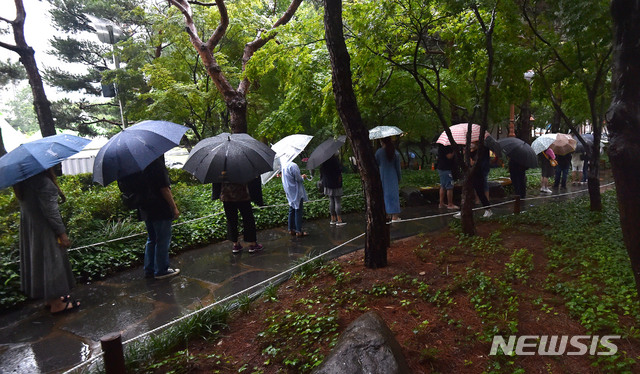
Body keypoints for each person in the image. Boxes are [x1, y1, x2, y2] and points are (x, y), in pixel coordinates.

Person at [14, 168, 79, 314]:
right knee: (52, 262)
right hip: (45, 230)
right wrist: (62, 234)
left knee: (41, 262)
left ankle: (51, 299)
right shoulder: (43, 182)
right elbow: (51, 212)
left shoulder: (22, 183)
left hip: (31, 231)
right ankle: (58, 305)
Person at [136, 156, 181, 279]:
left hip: (145, 208)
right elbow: (165, 189)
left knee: (152, 239)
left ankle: (149, 269)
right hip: (160, 208)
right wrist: (174, 207)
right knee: (162, 239)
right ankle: (161, 270)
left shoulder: (139, 164)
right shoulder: (156, 164)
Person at [213, 178, 263, 254]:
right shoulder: (241, 166)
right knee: (248, 219)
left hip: (227, 196)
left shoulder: (221, 167)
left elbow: (217, 182)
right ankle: (252, 244)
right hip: (242, 195)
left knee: (231, 220)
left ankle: (235, 245)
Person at [455, 142, 492, 218]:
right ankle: (462, 210)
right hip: (469, 174)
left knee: (480, 192)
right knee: (466, 191)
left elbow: (475, 163)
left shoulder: (482, 152)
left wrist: (470, 159)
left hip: (478, 174)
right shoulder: (470, 152)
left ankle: (488, 209)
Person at [375, 137, 402, 222]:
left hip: (382, 175)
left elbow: (376, 164)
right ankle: (395, 216)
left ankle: (386, 215)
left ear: (382, 141)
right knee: (393, 195)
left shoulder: (378, 152)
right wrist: (399, 177)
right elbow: (398, 167)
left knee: (384, 195)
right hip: (393, 175)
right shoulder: (395, 152)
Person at [282, 160, 309, 237]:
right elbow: (298, 179)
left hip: (289, 191)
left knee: (292, 209)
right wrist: (303, 177)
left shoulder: (284, 165)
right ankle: (298, 231)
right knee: (298, 210)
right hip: (296, 191)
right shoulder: (293, 165)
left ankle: (291, 229)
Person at [320, 154, 346, 226]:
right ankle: (339, 220)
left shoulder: (324, 161)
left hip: (327, 184)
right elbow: (339, 170)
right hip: (335, 183)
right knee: (337, 201)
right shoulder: (335, 160)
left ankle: (333, 219)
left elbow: (321, 172)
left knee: (331, 201)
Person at [436, 143, 459, 210]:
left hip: (442, 168)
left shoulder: (441, 145)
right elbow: (449, 156)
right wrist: (455, 150)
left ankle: (441, 203)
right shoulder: (446, 146)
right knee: (449, 186)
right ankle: (450, 204)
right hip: (446, 168)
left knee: (443, 186)